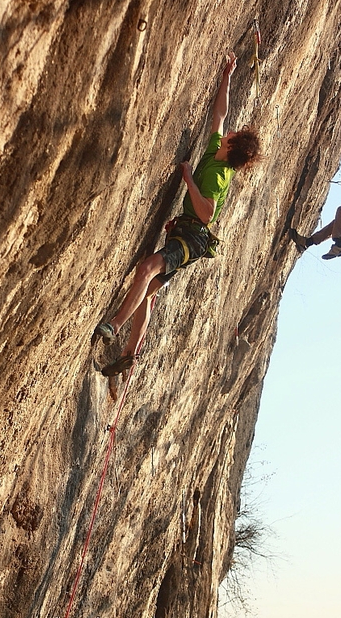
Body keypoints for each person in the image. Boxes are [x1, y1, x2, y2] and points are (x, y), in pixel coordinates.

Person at [91, 52, 261, 377]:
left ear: (234, 143)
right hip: (186, 231)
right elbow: (220, 114)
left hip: (194, 237)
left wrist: (188, 179)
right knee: (147, 290)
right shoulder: (215, 150)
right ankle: (129, 354)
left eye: (234, 133)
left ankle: (113, 326)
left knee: (147, 269)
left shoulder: (219, 173)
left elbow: (208, 213)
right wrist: (227, 75)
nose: (230, 130)